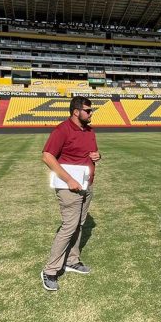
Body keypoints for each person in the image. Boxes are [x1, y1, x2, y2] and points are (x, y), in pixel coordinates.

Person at [40, 96, 101, 291]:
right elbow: (47, 156)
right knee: (69, 226)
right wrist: (68, 180)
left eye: (91, 111)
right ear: (76, 112)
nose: (91, 113)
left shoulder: (90, 131)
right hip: (69, 187)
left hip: (86, 185)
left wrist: (97, 156)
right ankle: (50, 270)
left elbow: (92, 153)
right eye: (88, 110)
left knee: (79, 224)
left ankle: (72, 260)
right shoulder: (62, 130)